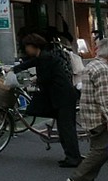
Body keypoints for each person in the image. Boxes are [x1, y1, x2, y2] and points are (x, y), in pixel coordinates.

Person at [15, 33, 82, 167]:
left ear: (34, 46)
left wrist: (34, 80)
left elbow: (45, 78)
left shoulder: (45, 58)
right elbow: (31, 63)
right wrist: (13, 69)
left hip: (63, 97)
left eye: (27, 46)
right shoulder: (43, 56)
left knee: (66, 129)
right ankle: (71, 156)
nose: (26, 49)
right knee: (64, 128)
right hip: (62, 96)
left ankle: (74, 158)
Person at [68, 38, 108, 181]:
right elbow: (104, 99)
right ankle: (79, 179)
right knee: (101, 150)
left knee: (99, 149)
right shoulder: (103, 70)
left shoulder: (92, 65)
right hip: (99, 117)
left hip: (90, 115)